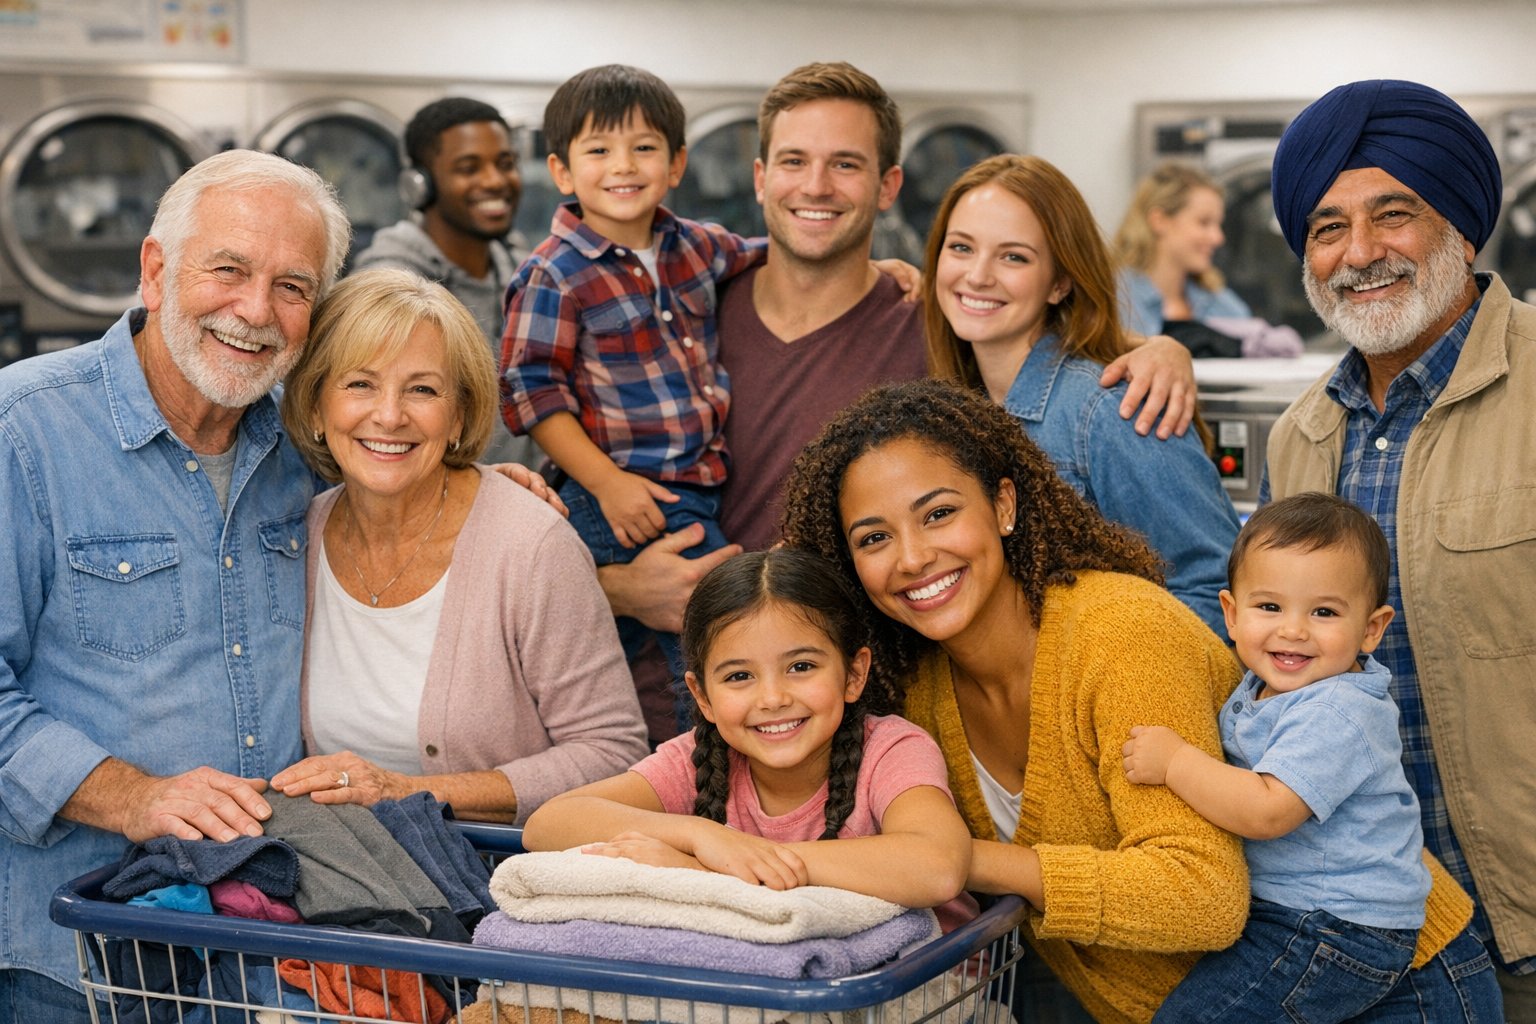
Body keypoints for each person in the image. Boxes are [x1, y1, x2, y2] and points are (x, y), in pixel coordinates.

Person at [594, 63, 1204, 732]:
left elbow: (1046, 348)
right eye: (795, 161)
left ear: (888, 187)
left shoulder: (933, 336)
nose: (817, 186)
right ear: (762, 177)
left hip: (864, 714)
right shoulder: (679, 312)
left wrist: (1163, 352)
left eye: (846, 164)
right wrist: (616, 590)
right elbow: (562, 494)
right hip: (669, 704)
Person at [0, 150, 349, 1020]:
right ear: (155, 270)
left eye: (293, 287)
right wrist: (137, 796)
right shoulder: (23, 432)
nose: (255, 311)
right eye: (227, 269)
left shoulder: (304, 451)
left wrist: (494, 487)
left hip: (263, 949)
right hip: (76, 954)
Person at [1262, 78, 1535, 1020]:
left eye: (1394, 214)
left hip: (1523, 924)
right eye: (1328, 227)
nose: (1360, 252)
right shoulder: (1300, 438)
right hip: (1364, 933)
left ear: (1462, 224)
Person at [268, 269, 648, 825]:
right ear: (316, 408)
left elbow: (616, 755)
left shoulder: (530, 545)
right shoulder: (291, 538)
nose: (390, 415)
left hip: (496, 884)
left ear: (461, 416)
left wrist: (408, 791)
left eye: (422, 389)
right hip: (349, 887)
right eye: (360, 384)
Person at [1126, 493, 1499, 1023]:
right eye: (1269, 606)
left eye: (1324, 612)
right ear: (1231, 613)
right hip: (1297, 916)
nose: (1293, 629)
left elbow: (1268, 811)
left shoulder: (1340, 708)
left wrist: (1175, 761)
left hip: (1337, 927)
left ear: (1372, 629)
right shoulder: (1259, 685)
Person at [501, 64, 770, 728]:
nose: (623, 166)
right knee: (713, 642)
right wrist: (609, 483)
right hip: (617, 491)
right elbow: (532, 393)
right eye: (599, 151)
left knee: (624, 663)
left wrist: (880, 267)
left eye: (644, 148)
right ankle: (704, 774)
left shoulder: (697, 246)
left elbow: (777, 253)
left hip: (690, 482)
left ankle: (638, 771)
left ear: (676, 163)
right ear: (562, 171)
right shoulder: (554, 273)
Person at [522, 547, 972, 916]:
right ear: (702, 696)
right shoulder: (693, 758)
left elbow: (938, 866)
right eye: (739, 676)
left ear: (854, 674)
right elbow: (546, 826)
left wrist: (714, 867)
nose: (772, 698)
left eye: (801, 666)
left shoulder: (892, 750)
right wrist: (705, 838)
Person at [924, 154, 1239, 635]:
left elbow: (1216, 590)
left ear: (1059, 283)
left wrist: (1113, 681)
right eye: (961, 247)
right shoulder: (962, 409)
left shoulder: (1111, 409)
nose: (978, 275)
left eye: (1013, 256)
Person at [353, 97, 541, 468]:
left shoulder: (521, 270)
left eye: (505, 164)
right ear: (419, 184)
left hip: (521, 500)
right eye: (468, 167)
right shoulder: (388, 283)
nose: (494, 181)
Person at [1115, 164, 1302, 360]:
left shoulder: (1220, 303)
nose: (1218, 238)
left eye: (1218, 225)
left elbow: (1277, 347)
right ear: (1159, 221)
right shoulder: (1113, 299)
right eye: (1204, 222)